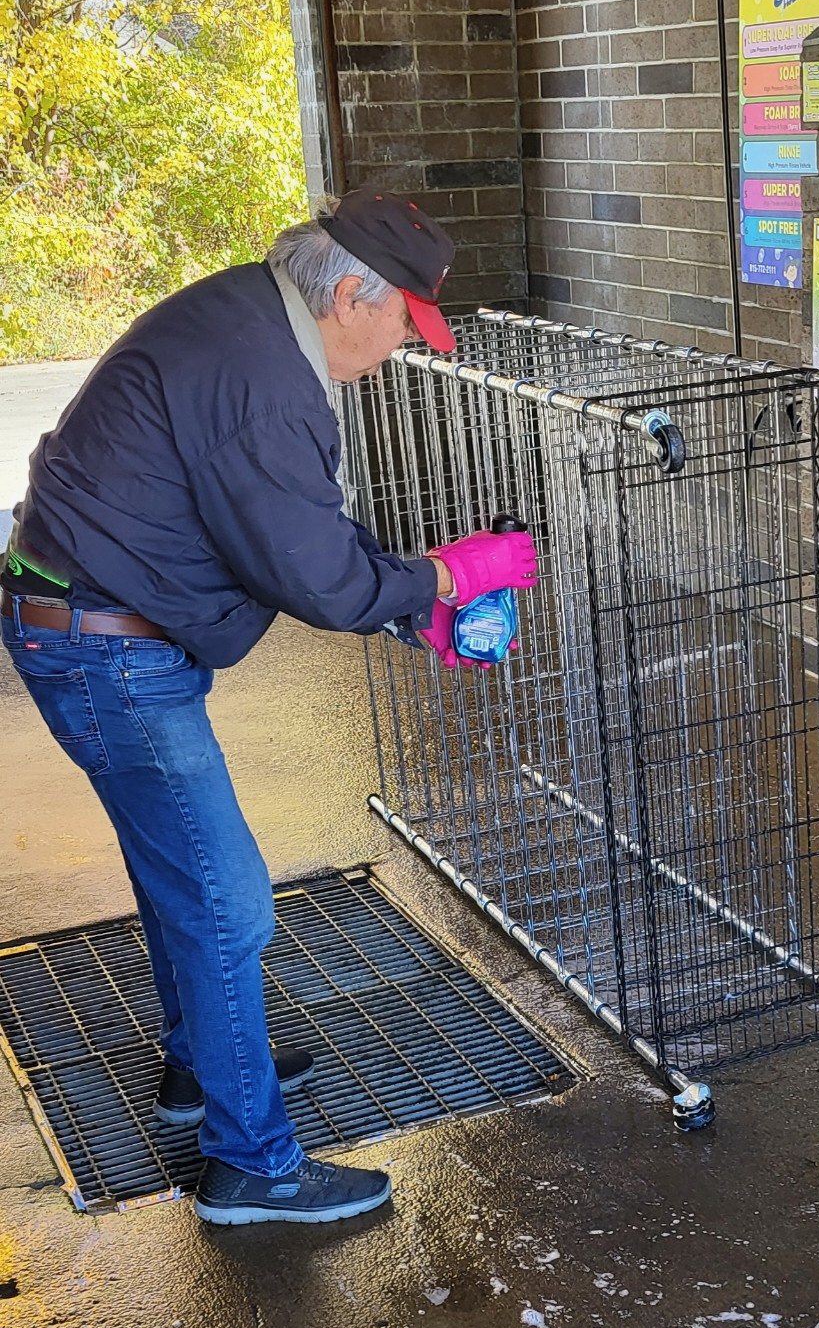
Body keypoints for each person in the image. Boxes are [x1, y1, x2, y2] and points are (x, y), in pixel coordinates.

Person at [0, 189, 537, 1227]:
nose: (396, 353)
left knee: (180, 872)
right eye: (402, 327)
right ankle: (252, 1165)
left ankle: (200, 1070)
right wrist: (442, 578)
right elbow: (320, 577)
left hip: (93, 620)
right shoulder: (263, 381)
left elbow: (296, 539)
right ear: (350, 297)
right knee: (227, 899)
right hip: (107, 648)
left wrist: (404, 601)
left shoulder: (251, 318)